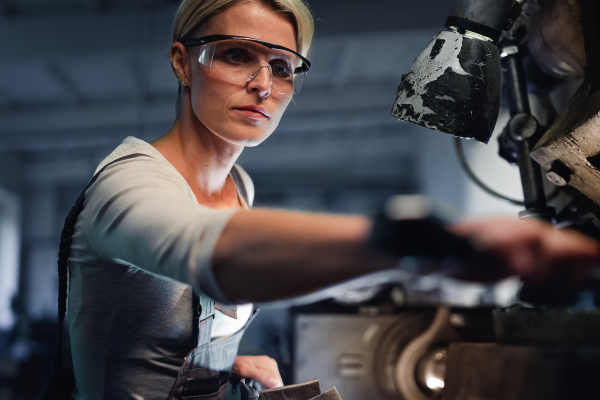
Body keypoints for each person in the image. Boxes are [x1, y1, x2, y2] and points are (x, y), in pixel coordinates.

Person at [64, 0, 600, 398]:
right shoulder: (128, 182)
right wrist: (430, 244)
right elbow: (208, 252)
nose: (261, 84)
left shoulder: (239, 188)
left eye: (282, 67)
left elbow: (166, 335)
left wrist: (225, 364)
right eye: (234, 55)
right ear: (183, 63)